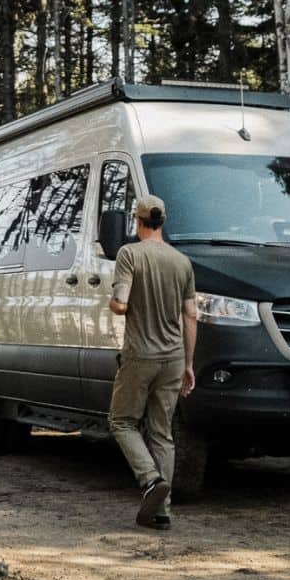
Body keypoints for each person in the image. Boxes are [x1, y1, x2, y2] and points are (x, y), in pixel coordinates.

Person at [109, 193, 198, 528]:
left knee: (122, 421)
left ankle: (150, 480)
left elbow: (120, 303)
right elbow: (191, 315)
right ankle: (162, 513)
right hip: (174, 357)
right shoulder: (182, 262)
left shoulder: (129, 254)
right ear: (163, 221)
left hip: (140, 355)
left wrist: (115, 304)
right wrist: (189, 364)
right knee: (162, 433)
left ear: (138, 220)